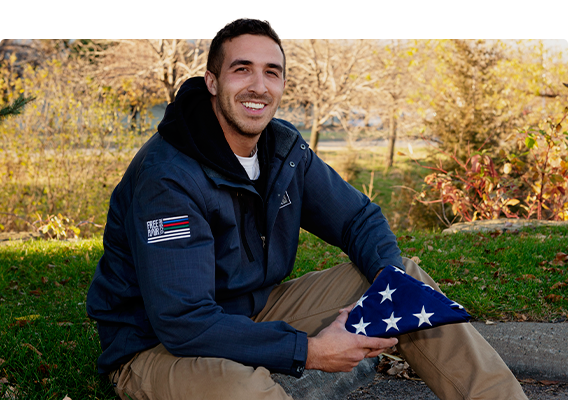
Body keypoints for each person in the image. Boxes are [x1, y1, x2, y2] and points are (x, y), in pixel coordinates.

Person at [87, 18, 527, 400]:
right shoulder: (168, 176)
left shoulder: (282, 149)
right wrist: (311, 351)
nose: (259, 86)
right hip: (157, 346)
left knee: (403, 282)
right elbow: (183, 322)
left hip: (253, 310)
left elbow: (358, 219)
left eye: (272, 72)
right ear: (213, 81)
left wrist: (386, 281)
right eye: (242, 70)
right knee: (243, 391)